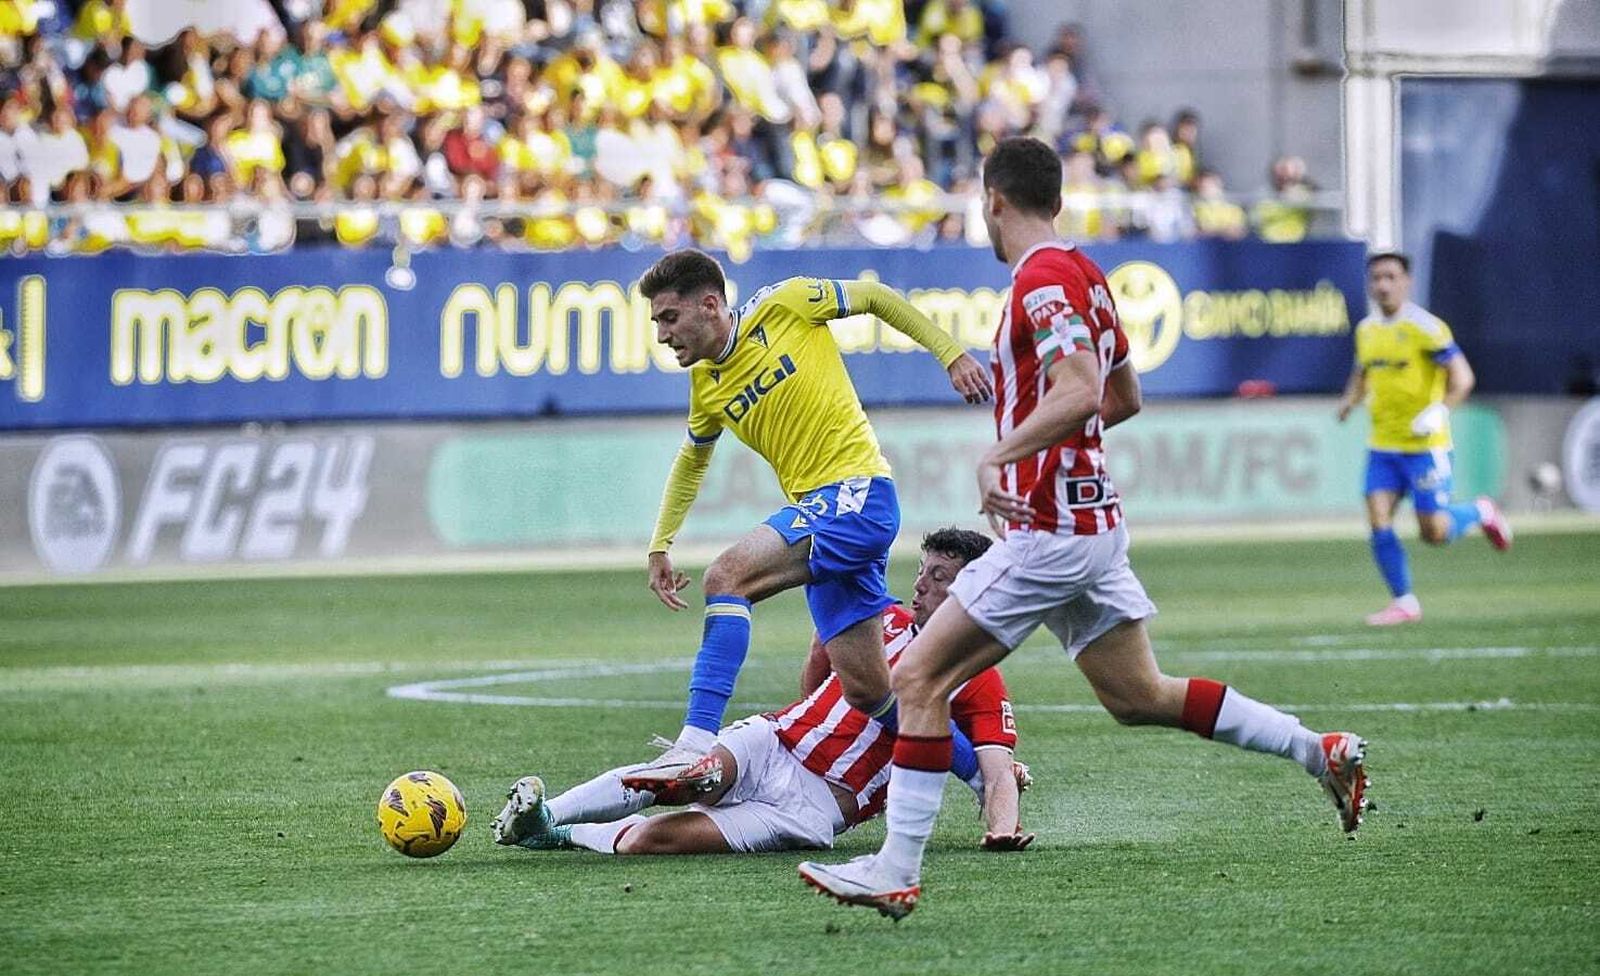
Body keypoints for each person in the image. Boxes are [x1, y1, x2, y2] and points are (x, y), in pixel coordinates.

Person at [798, 137, 1371, 921]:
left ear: (995, 200)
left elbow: (1082, 386)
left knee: (916, 679)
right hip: (1092, 523)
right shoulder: (1089, 276)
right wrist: (1050, 430)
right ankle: (1319, 749)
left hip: (1049, 531)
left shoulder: (1039, 279)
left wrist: (1004, 452)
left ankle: (896, 867)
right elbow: (1123, 396)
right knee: (1138, 695)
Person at [629, 249, 991, 792]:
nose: (661, 334)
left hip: (857, 494)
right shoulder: (707, 383)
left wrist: (951, 354)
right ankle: (985, 775)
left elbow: (875, 297)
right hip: (829, 521)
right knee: (871, 692)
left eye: (668, 318)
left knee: (727, 577)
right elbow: (693, 456)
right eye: (657, 321)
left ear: (709, 305)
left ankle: (694, 742)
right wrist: (660, 544)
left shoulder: (787, 304)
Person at [491, 528, 1034, 855]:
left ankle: (559, 835)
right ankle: (548, 813)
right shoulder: (883, 619)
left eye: (940, 577)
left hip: (815, 806)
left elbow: (995, 773)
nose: (920, 584)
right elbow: (823, 651)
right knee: (689, 774)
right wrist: (813, 710)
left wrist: (1002, 830)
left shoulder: (977, 674)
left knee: (650, 841)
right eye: (922, 571)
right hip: (773, 743)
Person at [1337, 252, 1511, 626]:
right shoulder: (1367, 330)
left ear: (1406, 282)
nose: (1382, 284)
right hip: (1383, 445)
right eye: (1376, 278)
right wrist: (1349, 401)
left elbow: (1463, 378)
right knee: (1378, 517)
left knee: (1433, 532)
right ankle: (1404, 601)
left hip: (1425, 448)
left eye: (1390, 277)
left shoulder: (1427, 328)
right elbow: (1362, 373)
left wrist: (1440, 410)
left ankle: (1481, 511)